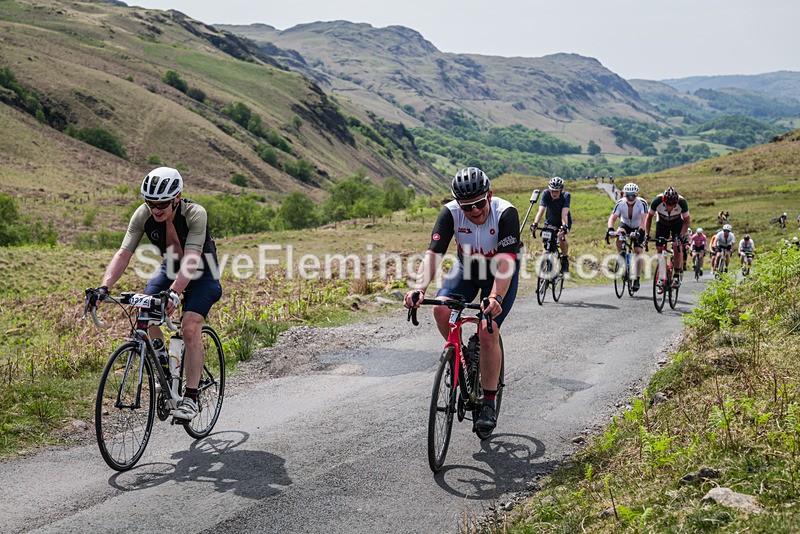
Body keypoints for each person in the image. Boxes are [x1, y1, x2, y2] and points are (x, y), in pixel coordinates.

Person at [91, 167, 222, 422]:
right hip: (170, 268)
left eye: (161, 203)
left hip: (202, 272)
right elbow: (124, 253)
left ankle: (192, 397)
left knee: (189, 326)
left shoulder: (195, 213)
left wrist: (174, 294)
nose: (156, 208)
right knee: (144, 310)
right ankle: (163, 360)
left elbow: (192, 259)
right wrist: (103, 287)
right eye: (150, 202)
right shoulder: (143, 215)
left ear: (176, 197)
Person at [404, 167, 519, 434]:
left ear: (489, 195)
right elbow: (434, 253)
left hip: (499, 273)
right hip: (467, 270)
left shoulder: (506, 213)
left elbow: (505, 262)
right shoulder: (451, 213)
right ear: (459, 204)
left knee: (487, 329)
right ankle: (461, 357)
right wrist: (419, 288)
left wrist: (495, 297)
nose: (475, 211)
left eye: (480, 204)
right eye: (468, 207)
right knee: (442, 311)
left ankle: (488, 401)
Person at [645, 187, 690, 289]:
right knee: (660, 249)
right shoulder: (657, 201)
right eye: (668, 204)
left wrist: (681, 236)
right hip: (662, 223)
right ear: (664, 201)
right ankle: (662, 275)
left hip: (677, 224)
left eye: (673, 205)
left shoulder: (682, 202)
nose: (670, 207)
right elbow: (649, 218)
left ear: (676, 202)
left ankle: (677, 275)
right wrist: (647, 235)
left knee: (676, 245)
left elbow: (687, 221)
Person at [606, 182, 647, 291]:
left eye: (632, 195)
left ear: (636, 195)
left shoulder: (641, 203)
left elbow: (644, 220)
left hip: (639, 226)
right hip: (625, 225)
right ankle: (622, 256)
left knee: (638, 251)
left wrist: (640, 231)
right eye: (627, 195)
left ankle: (637, 279)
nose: (630, 197)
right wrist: (610, 228)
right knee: (619, 234)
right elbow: (612, 218)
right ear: (624, 194)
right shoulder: (620, 203)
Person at [532, 176, 572, 274]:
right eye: (552, 191)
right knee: (546, 245)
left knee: (562, 239)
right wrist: (535, 223)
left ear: (561, 190)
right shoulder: (546, 194)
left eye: (556, 191)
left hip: (563, 221)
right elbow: (541, 210)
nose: (554, 193)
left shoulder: (566, 196)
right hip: (549, 222)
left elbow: (564, 213)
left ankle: (564, 259)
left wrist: (563, 227)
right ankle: (543, 272)